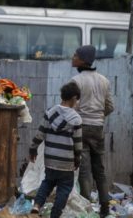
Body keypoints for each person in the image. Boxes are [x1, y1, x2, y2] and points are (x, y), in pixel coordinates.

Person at [70, 45, 114, 217]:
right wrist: (98, 117)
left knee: (84, 170)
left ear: (83, 60)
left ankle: (86, 209)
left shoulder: (76, 81)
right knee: (99, 170)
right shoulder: (104, 80)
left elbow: (72, 108)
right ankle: (105, 208)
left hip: (81, 128)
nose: (72, 57)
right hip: (98, 128)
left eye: (75, 55)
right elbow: (110, 106)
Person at [29, 82, 83, 218]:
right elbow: (77, 144)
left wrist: (33, 148)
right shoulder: (76, 119)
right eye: (77, 100)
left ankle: (36, 206)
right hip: (66, 162)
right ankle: (55, 215)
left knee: (47, 182)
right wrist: (77, 159)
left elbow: (40, 134)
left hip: (50, 159)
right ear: (74, 98)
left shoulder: (50, 112)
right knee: (64, 189)